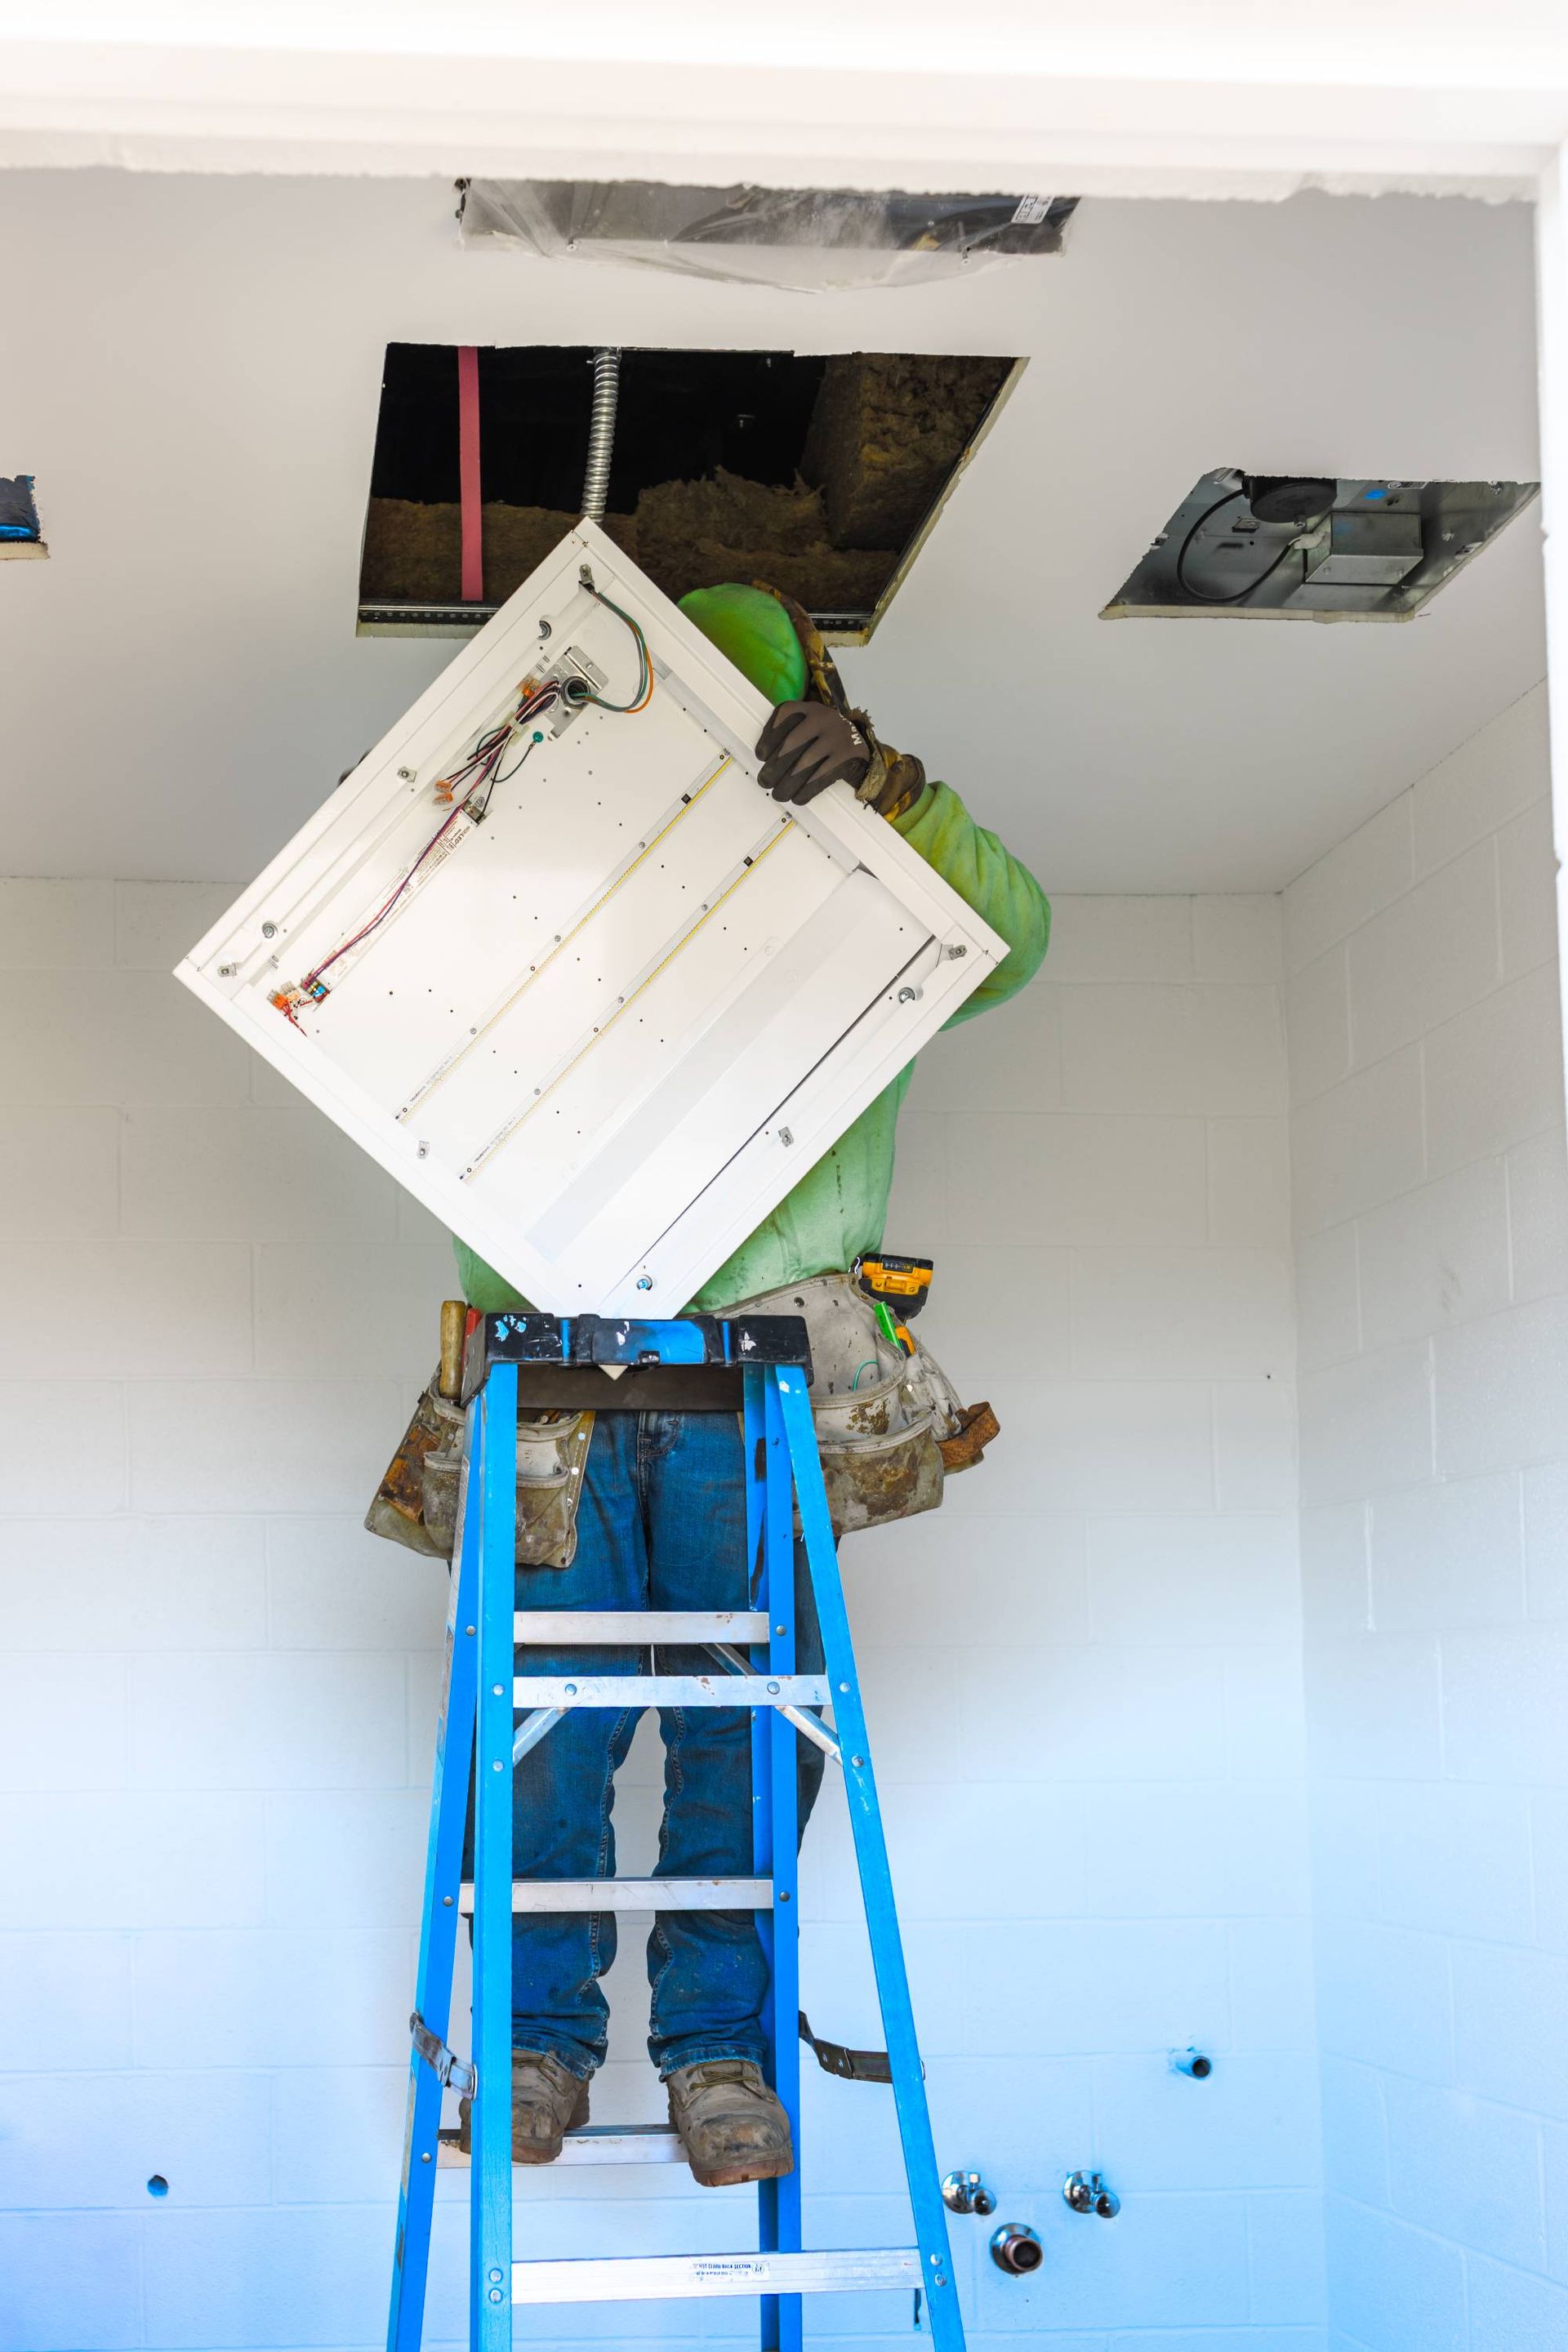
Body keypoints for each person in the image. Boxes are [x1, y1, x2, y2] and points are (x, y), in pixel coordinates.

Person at [448, 583, 1050, 2187]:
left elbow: (1016, 945)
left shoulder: (862, 896)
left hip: (763, 1378)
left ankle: (719, 2052)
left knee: (745, 1732)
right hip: (563, 1368)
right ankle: (531, 2053)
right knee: (552, 1735)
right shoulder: (553, 892)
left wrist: (892, 790)